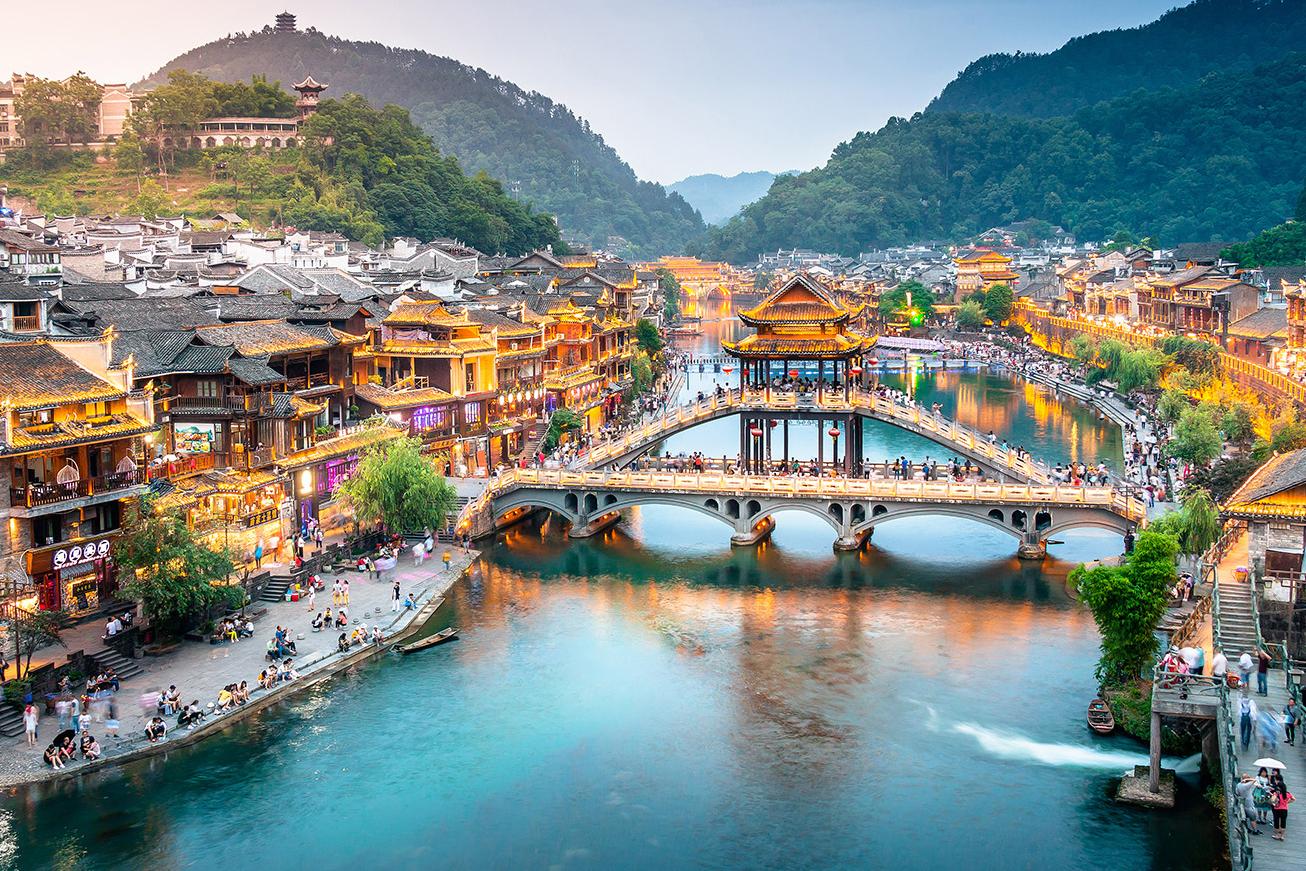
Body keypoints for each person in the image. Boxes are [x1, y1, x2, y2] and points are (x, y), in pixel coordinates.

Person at [1271, 773, 1294, 841]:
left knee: (1277, 822)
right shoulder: (1287, 794)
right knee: (1283, 823)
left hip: (1277, 809)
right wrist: (1287, 802)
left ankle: (1277, 835)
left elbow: (1272, 801)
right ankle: (1282, 836)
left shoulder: (1276, 793)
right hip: (1284, 810)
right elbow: (1293, 799)